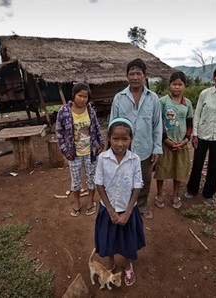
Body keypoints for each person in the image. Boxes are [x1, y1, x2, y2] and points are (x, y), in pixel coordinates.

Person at [94, 117, 145, 287]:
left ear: (131, 139)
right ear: (109, 138)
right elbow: (99, 184)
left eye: (125, 139)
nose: (120, 143)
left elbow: (137, 186)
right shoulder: (103, 158)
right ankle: (111, 262)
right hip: (107, 209)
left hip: (128, 209)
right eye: (116, 139)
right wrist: (110, 211)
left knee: (128, 240)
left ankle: (128, 263)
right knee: (109, 238)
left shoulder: (135, 159)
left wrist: (128, 213)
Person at [110, 58, 163, 220]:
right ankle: (125, 206)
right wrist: (113, 148)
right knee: (123, 178)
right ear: (127, 77)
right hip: (123, 149)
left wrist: (157, 148)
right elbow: (112, 124)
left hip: (145, 149)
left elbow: (157, 125)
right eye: (131, 74)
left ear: (144, 76)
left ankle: (141, 206)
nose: (135, 77)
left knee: (144, 180)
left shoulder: (153, 98)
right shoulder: (119, 98)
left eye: (138, 73)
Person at [185, 64, 216, 204]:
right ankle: (192, 190)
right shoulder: (205, 94)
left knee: (214, 166)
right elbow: (198, 115)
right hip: (202, 134)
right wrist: (195, 134)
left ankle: (209, 193)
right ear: (214, 77)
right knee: (197, 163)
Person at [55, 82, 105, 216]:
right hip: (74, 153)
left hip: (91, 152)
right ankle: (76, 202)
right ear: (73, 95)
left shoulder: (90, 110)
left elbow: (96, 127)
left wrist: (101, 142)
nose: (82, 99)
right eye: (80, 95)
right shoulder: (64, 111)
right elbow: (59, 133)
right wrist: (65, 150)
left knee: (92, 178)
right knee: (76, 180)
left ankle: (90, 201)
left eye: (85, 97)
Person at [154, 71, 193, 209]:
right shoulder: (162, 101)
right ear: (169, 85)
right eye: (174, 84)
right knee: (162, 170)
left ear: (184, 86)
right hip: (165, 143)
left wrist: (186, 140)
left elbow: (189, 124)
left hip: (181, 144)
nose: (177, 87)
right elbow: (158, 122)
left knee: (179, 170)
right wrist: (165, 140)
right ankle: (159, 194)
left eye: (180, 84)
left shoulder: (187, 103)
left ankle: (175, 194)